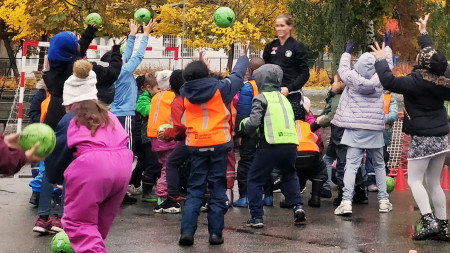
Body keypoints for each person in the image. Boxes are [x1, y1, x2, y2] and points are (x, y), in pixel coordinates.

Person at [372, 13, 450, 241]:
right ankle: (443, 225)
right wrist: (423, 32)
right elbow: (433, 58)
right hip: (441, 136)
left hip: (422, 137)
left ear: (421, 63)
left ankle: (428, 222)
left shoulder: (416, 82)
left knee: (415, 180)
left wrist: (380, 59)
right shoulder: (444, 77)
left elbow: (389, 81)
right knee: (434, 182)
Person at [45, 60, 133, 252]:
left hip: (92, 167)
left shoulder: (71, 118)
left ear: (70, 102)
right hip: (123, 165)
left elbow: (58, 151)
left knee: (79, 225)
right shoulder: (110, 116)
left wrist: (53, 177)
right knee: (99, 225)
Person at [178, 44, 249, 246]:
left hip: (196, 144)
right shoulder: (221, 90)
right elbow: (237, 75)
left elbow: (193, 80)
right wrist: (243, 56)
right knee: (218, 188)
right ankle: (215, 234)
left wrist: (201, 65)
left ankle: (187, 233)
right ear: (207, 74)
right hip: (219, 143)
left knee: (195, 190)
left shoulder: (184, 91)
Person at [333, 35, 393, 216]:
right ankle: (383, 201)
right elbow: (388, 66)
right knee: (379, 164)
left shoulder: (351, 78)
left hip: (355, 129)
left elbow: (343, 68)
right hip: (374, 128)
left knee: (351, 165)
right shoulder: (381, 78)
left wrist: (346, 52)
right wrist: (387, 48)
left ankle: (346, 202)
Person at [239, 64, 305, 229]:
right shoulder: (284, 98)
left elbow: (254, 122)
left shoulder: (261, 98)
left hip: (270, 144)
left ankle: (256, 217)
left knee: (254, 179)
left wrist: (243, 126)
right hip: (290, 144)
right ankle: (298, 207)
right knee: (290, 175)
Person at [263, 13, 309, 120]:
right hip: (274, 95)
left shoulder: (298, 47)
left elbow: (305, 74)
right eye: (277, 26)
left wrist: (289, 88)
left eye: (282, 25)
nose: (279, 28)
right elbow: (265, 70)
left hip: (292, 94)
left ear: (290, 26)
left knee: (295, 126)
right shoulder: (270, 47)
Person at [233, 57, 265, 207]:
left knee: (246, 163)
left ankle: (244, 197)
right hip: (266, 133)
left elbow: (243, 113)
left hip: (251, 133)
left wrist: (240, 134)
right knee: (265, 163)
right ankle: (268, 196)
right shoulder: (270, 87)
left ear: (250, 71)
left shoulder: (248, 87)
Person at [147, 70, 179, 211]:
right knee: (169, 167)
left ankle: (163, 197)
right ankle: (164, 198)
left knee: (164, 166)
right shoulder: (173, 97)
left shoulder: (156, 97)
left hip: (155, 136)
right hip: (168, 135)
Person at [311, 74, 346, 199]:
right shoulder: (338, 96)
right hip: (339, 135)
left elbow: (332, 115)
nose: (331, 87)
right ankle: (359, 190)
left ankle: (337, 192)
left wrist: (318, 122)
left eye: (334, 83)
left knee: (341, 163)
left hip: (340, 135)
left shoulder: (337, 96)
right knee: (330, 159)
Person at [157, 69, 187, 213]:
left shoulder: (178, 101)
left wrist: (167, 134)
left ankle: (174, 199)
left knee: (171, 163)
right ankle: (204, 197)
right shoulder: (194, 97)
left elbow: (180, 128)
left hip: (190, 139)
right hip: (209, 137)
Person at [135, 73, 162, 202]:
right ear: (148, 88)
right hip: (148, 138)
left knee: (159, 162)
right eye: (158, 89)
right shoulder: (143, 99)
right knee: (152, 163)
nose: (160, 91)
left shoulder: (159, 98)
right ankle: (146, 192)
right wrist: (161, 107)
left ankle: (156, 187)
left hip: (159, 136)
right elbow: (146, 110)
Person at [365, 90, 398, 192]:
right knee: (370, 157)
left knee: (382, 157)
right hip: (370, 133)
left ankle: (380, 180)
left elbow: (393, 115)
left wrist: (376, 119)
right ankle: (370, 182)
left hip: (383, 135)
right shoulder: (369, 95)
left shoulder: (390, 98)